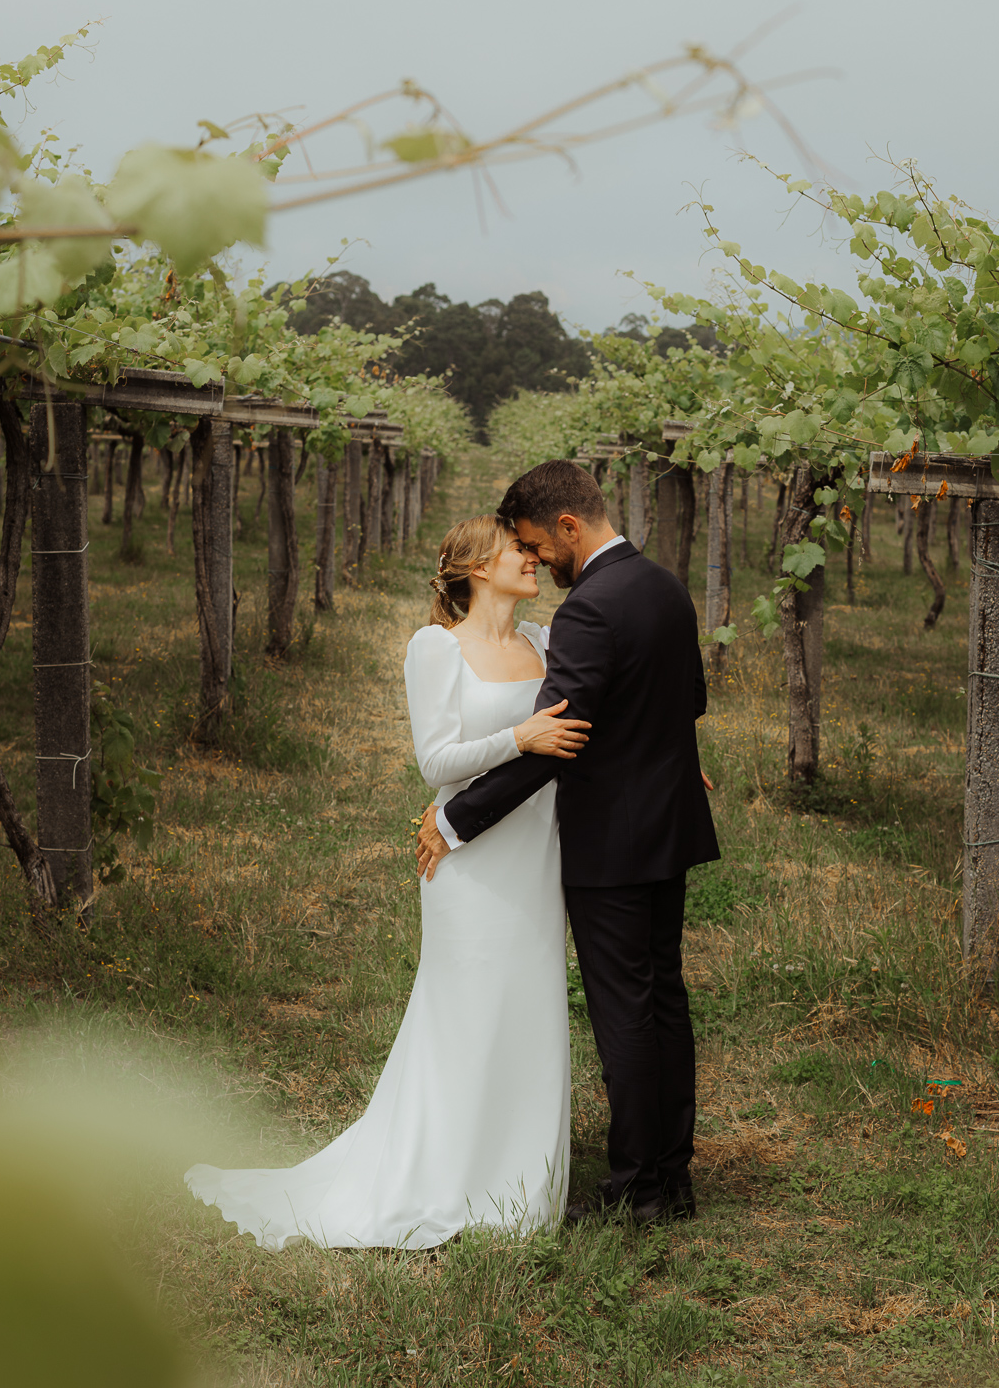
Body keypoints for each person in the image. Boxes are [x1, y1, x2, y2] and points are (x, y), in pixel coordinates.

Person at [185, 516, 589, 1250]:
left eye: (530, 550)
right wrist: (518, 739)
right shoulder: (435, 648)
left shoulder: (544, 643)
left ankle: (522, 1189)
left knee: (529, 1005)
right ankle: (441, 1176)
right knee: (465, 1008)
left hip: (535, 852)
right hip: (469, 865)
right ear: (474, 567)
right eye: (516, 551)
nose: (532, 559)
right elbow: (436, 762)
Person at [417, 459, 719, 1227]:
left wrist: (454, 821)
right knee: (664, 1001)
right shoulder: (664, 586)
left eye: (536, 544)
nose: (539, 561)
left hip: (611, 841)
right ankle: (671, 1178)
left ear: (568, 527)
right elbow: (687, 699)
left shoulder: (590, 609)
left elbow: (560, 739)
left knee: (625, 1013)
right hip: (668, 827)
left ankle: (634, 1195)